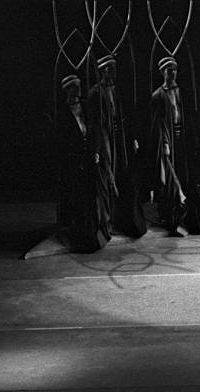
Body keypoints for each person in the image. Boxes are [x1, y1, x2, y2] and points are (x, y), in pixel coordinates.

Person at [88, 55, 147, 238]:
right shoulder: (95, 93)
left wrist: (133, 138)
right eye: (109, 69)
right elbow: (94, 122)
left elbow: (128, 114)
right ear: (102, 71)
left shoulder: (119, 90)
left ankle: (125, 219)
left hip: (120, 137)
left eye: (114, 68)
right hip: (105, 138)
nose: (113, 72)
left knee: (124, 173)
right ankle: (108, 220)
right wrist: (97, 148)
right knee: (109, 175)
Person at [148, 57, 200, 236]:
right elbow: (156, 124)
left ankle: (193, 219)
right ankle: (173, 219)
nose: (172, 73)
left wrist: (194, 139)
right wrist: (164, 143)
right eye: (168, 70)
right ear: (162, 73)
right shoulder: (158, 95)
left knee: (188, 176)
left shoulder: (183, 92)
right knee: (173, 180)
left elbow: (190, 116)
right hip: (170, 142)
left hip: (185, 141)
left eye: (174, 69)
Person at [58, 74, 110, 252]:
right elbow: (63, 141)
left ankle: (93, 235)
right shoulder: (63, 112)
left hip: (89, 158)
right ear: (68, 90)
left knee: (91, 197)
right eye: (74, 88)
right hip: (75, 161)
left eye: (79, 87)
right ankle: (81, 236)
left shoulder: (86, 107)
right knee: (78, 199)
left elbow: (95, 129)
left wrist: (96, 151)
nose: (78, 91)